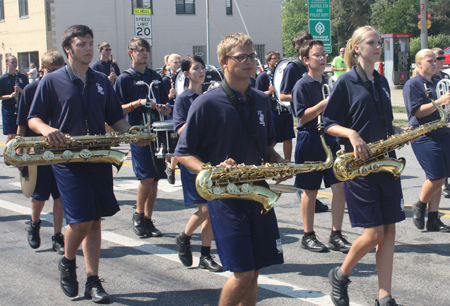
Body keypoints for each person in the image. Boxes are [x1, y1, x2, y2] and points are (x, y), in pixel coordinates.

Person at [28, 25, 150, 303]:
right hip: (68, 160)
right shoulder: (52, 81)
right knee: (81, 220)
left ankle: (93, 280)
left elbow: (115, 117)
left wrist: (132, 134)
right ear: (68, 49)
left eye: (91, 43)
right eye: (82, 43)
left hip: (98, 157)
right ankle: (68, 262)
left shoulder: (101, 80)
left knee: (94, 221)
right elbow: (35, 118)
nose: (88, 48)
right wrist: (47, 130)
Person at [175, 33, 285, 306]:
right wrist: (210, 170)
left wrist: (279, 161)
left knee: (255, 270)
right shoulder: (207, 102)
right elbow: (183, 152)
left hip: (258, 193)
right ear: (224, 62)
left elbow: (266, 147)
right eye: (242, 57)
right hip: (226, 197)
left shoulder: (261, 100)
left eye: (252, 56)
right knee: (242, 273)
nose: (249, 62)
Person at [322, 26, 405, 306]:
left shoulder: (381, 81)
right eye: (371, 42)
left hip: (386, 162)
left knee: (390, 231)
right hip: (359, 167)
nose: (377, 46)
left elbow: (382, 120)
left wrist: (399, 133)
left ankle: (385, 296)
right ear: (357, 48)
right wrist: (351, 134)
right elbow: (327, 123)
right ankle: (341, 274)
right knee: (374, 233)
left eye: (379, 42)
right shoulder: (346, 82)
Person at [291, 39, 351, 253]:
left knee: (340, 187)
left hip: (330, 139)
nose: (323, 58)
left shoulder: (328, 82)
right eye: (317, 55)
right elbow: (302, 117)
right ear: (306, 60)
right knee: (310, 190)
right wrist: (323, 104)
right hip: (310, 139)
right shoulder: (302, 85)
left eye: (324, 54)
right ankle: (308, 235)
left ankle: (336, 234)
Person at [114, 37, 171, 238]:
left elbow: (165, 105)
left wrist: (164, 108)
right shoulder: (125, 79)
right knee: (146, 177)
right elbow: (115, 110)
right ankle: (138, 215)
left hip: (156, 132)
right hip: (137, 132)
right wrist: (137, 103)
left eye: (146, 50)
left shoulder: (156, 77)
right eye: (139, 50)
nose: (144, 53)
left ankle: (148, 218)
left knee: (155, 179)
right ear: (130, 53)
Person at [173, 55, 222, 272]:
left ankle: (205, 254)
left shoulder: (210, 97)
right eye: (195, 68)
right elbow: (180, 131)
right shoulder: (184, 99)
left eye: (202, 68)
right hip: (193, 159)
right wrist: (198, 116)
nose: (200, 72)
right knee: (207, 208)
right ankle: (184, 237)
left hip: (212, 158)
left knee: (211, 209)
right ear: (186, 73)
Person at [17, 51, 65, 254]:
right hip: (37, 150)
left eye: (59, 70)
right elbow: (22, 122)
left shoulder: (65, 88)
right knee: (39, 195)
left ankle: (57, 236)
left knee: (60, 196)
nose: (56, 74)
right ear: (43, 70)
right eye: (51, 70)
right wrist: (20, 150)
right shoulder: (31, 89)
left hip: (61, 150)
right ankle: (34, 224)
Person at [279, 32, 328, 213]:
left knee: (337, 184)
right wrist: (304, 97)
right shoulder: (293, 68)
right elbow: (283, 94)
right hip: (308, 127)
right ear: (301, 50)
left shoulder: (324, 78)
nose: (320, 56)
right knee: (309, 185)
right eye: (307, 45)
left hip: (324, 131)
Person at [403, 49, 450, 233]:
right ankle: (420, 205)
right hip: (423, 135)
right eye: (430, 60)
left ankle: (433, 218)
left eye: (436, 60)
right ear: (420, 64)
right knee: (436, 176)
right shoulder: (412, 84)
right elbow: (418, 111)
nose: (435, 63)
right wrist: (441, 101)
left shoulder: (439, 82)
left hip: (442, 132)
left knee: (441, 177)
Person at [256, 51, 296, 173]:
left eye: (279, 57)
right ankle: (263, 161)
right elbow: (256, 94)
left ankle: (287, 164)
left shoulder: (284, 73)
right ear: (268, 61)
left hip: (285, 109)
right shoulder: (263, 76)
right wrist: (269, 92)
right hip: (273, 110)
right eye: (275, 58)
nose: (277, 59)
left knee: (288, 138)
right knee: (273, 141)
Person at [430, 48, 450, 197]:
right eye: (438, 58)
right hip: (436, 122)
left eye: (442, 58)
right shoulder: (428, 80)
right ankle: (444, 184)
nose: (441, 61)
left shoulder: (445, 76)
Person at [162, 53, 182, 184]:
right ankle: (171, 166)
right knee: (175, 145)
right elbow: (161, 101)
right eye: (175, 62)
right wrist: (169, 96)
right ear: (168, 64)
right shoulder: (165, 80)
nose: (178, 64)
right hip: (170, 114)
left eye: (179, 62)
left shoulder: (181, 78)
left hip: (180, 113)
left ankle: (172, 166)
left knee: (181, 143)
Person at [0, 55, 29, 143]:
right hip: (8, 109)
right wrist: (10, 96)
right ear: (7, 63)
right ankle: (8, 153)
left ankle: (18, 154)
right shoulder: (2, 79)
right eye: (12, 62)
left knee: (20, 135)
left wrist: (20, 90)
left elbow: (28, 93)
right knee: (11, 135)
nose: (15, 64)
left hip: (21, 108)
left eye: (16, 62)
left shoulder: (22, 77)